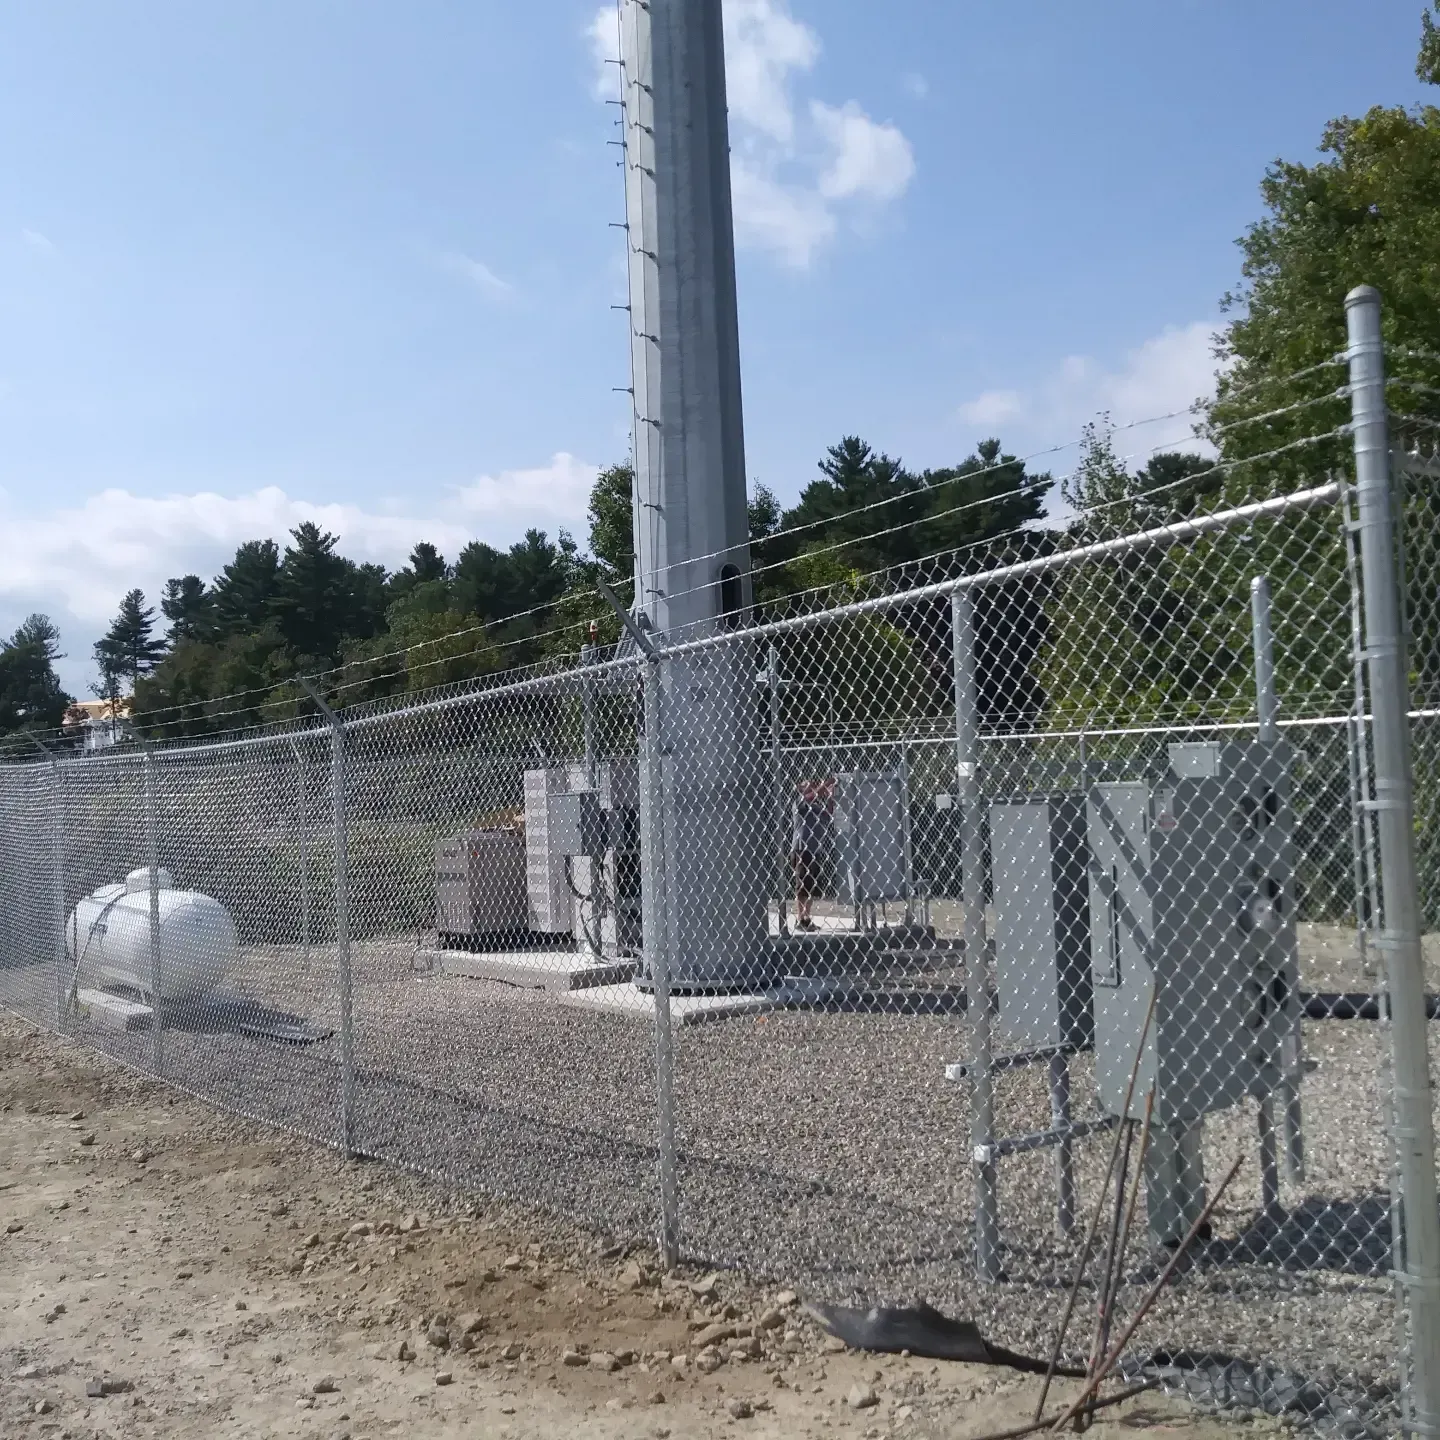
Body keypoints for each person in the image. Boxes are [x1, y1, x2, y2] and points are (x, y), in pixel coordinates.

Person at [791, 779, 833, 932]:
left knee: (811, 887)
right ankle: (800, 918)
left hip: (815, 850)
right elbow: (811, 796)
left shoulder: (814, 807)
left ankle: (807, 918)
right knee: (802, 886)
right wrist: (825, 784)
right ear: (800, 789)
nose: (811, 787)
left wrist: (830, 796)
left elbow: (828, 814)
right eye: (807, 785)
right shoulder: (799, 803)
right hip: (802, 849)